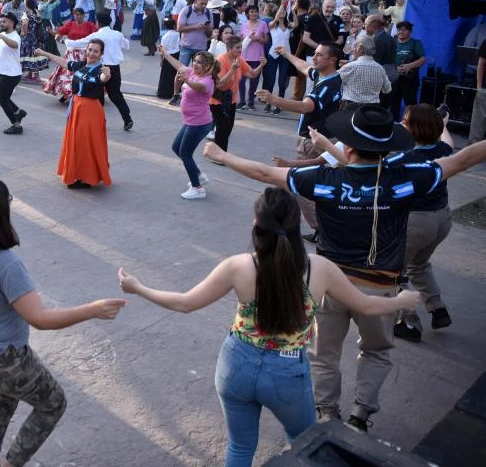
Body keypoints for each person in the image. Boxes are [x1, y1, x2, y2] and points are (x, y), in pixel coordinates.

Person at [203, 105, 486, 430]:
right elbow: (464, 159)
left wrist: (222, 155)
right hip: (379, 287)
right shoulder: (408, 178)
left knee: (323, 354)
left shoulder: (323, 180)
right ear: (388, 147)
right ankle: (360, 416)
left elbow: (267, 174)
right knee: (376, 351)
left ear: (349, 147)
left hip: (329, 286)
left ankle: (326, 414)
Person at [117, 188, 420, 467]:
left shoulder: (238, 266)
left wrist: (138, 287)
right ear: (297, 222)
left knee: (239, 446)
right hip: (288, 374)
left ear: (255, 223)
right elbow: (366, 306)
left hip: (235, 365)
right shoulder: (320, 268)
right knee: (304, 445)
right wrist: (401, 301)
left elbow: (184, 303)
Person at [0, 178, 126, 467]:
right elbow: (40, 319)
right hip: (2, 358)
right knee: (53, 404)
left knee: (2, 403)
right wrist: (92, 309)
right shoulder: (6, 264)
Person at [256, 43, 343, 243]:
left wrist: (273, 99)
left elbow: (306, 107)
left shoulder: (328, 86)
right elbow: (305, 67)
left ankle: (322, 231)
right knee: (306, 183)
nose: (315, 58)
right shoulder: (328, 76)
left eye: (320, 55)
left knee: (302, 187)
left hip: (314, 142)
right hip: (323, 139)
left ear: (332, 60)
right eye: (315, 54)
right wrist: (286, 53)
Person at [386, 104, 454, 341]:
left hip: (415, 222)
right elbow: (448, 140)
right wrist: (443, 122)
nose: (402, 124)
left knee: (391, 272)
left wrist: (327, 147)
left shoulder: (405, 158)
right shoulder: (444, 150)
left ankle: (409, 322)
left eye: (405, 121)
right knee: (419, 264)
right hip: (442, 219)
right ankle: (437, 308)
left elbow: (366, 170)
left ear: (415, 129)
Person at [33, 41, 112, 189]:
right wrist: (45, 53)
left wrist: (106, 76)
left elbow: (103, 79)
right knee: (77, 141)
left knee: (86, 143)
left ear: (101, 54)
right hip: (77, 107)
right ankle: (79, 174)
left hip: (90, 110)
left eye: (96, 51)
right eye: (90, 50)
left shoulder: (100, 69)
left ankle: (87, 177)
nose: (91, 53)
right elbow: (65, 63)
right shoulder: (82, 65)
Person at [161, 49, 219, 199]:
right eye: (195, 61)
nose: (195, 64)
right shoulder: (193, 72)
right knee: (176, 147)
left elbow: (198, 87)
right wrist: (165, 54)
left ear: (207, 66)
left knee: (185, 153)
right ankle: (199, 175)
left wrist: (186, 80)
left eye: (200, 62)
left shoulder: (207, 81)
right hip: (190, 121)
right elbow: (178, 65)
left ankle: (197, 188)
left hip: (199, 123)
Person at [63, 12, 134, 131]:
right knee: (116, 94)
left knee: (97, 95)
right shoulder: (117, 34)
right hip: (115, 68)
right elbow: (127, 45)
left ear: (98, 23)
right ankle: (127, 118)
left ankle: (100, 121)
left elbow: (77, 43)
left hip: (99, 68)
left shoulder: (96, 36)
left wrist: (64, 40)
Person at [211, 37, 266, 152]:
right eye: (237, 47)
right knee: (223, 128)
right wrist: (232, 69)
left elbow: (252, 74)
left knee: (228, 128)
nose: (240, 50)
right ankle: (218, 154)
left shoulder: (239, 60)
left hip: (231, 100)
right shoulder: (221, 60)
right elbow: (220, 84)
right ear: (229, 49)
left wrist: (261, 65)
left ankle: (218, 153)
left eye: (241, 47)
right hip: (218, 101)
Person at [43, 8, 97, 103]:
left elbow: (97, 35)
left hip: (84, 55)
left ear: (84, 15)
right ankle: (66, 94)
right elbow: (58, 34)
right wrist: (52, 32)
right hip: (70, 55)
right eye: (75, 14)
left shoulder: (89, 25)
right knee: (66, 75)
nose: (77, 16)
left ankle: (81, 94)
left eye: (79, 14)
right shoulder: (70, 25)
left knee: (82, 75)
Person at [336, 35, 391, 111]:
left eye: (354, 46)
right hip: (373, 109)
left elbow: (331, 80)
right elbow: (387, 89)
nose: (352, 50)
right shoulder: (380, 68)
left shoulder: (350, 67)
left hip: (352, 109)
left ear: (361, 49)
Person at [387, 21, 425, 119]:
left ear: (410, 32)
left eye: (404, 30)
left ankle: (411, 126)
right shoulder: (392, 42)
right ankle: (393, 126)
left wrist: (410, 66)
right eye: (399, 30)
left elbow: (423, 59)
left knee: (411, 104)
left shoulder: (415, 43)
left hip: (409, 79)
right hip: (394, 78)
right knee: (394, 103)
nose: (400, 32)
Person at [156, 18, 181, 99]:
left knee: (165, 75)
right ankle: (173, 92)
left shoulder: (164, 36)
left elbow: (161, 49)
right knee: (174, 74)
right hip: (176, 55)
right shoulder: (178, 34)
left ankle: (163, 92)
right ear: (174, 26)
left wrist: (161, 60)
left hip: (167, 56)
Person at [469, 38, 486, 144]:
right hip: (485, 88)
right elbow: (481, 64)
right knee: (478, 123)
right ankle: (472, 151)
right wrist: (479, 86)